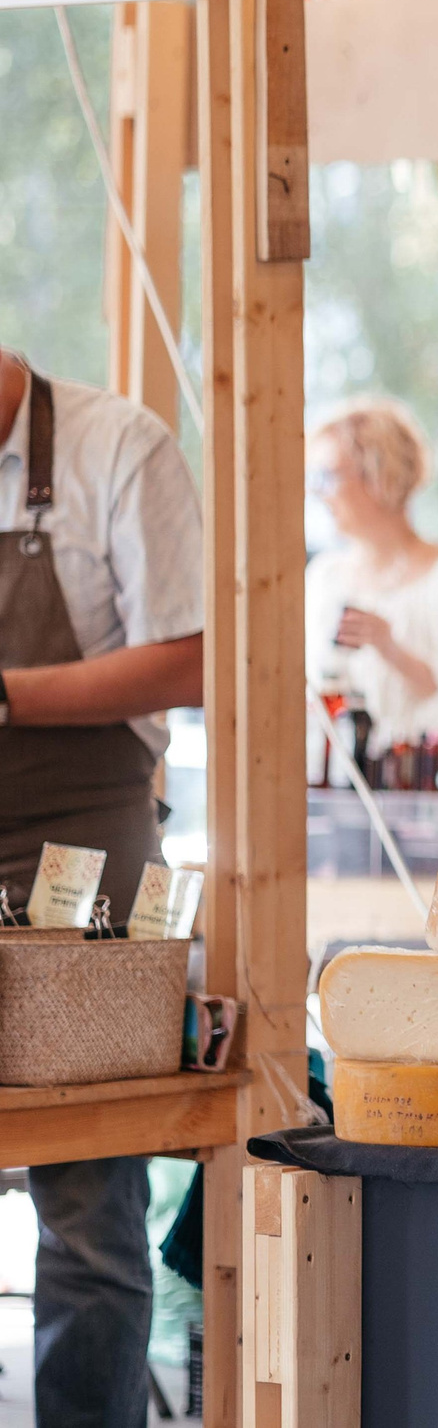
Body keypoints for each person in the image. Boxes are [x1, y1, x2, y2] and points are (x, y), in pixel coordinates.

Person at [1, 347, 204, 1427]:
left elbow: (197, 656)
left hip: (82, 857)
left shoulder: (117, 449)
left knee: (86, 1213)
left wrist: (4, 695)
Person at [304, 398, 438, 795]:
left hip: (425, 798)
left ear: (380, 474)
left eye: (328, 477)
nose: (318, 494)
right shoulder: (324, 577)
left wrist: (389, 646)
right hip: (333, 799)